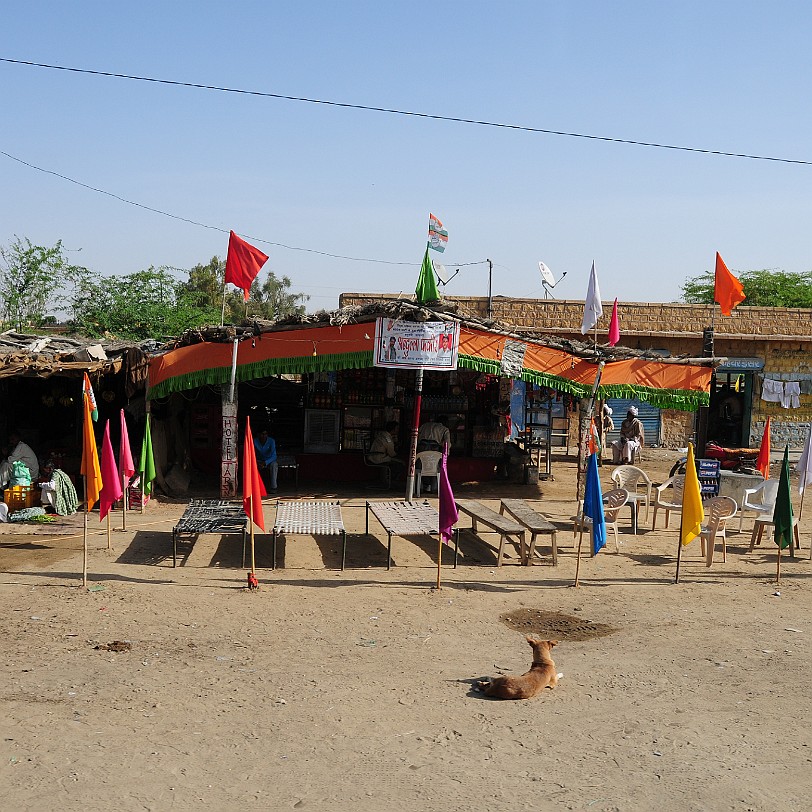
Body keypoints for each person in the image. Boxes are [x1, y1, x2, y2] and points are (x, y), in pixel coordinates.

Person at [253, 428, 278, 492]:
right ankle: (254, 487)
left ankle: (274, 487)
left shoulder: (271, 441)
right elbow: (251, 454)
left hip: (268, 461)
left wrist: (265, 462)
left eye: (266, 434)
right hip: (258, 461)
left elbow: (274, 456)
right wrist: (257, 462)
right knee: (252, 466)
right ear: (258, 435)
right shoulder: (254, 441)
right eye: (262, 434)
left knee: (274, 465)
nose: (264, 436)